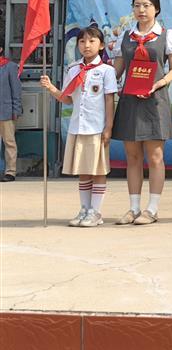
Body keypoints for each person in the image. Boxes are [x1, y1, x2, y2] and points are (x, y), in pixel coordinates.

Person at [111, 0, 172, 225]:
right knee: (132, 156)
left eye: (146, 5)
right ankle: (133, 208)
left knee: (155, 156)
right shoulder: (126, 37)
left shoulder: (167, 35)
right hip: (130, 100)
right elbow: (117, 69)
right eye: (137, 5)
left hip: (155, 100)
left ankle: (152, 209)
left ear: (156, 9)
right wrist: (98, 78)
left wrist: (159, 83)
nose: (141, 10)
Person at [41, 27, 117, 226]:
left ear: (101, 45)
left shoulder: (106, 71)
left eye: (92, 41)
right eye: (82, 42)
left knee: (98, 170)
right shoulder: (73, 69)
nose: (86, 45)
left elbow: (109, 100)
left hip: (96, 128)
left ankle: (96, 212)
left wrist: (108, 127)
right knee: (84, 170)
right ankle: (84, 209)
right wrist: (51, 88)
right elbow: (67, 99)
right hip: (78, 127)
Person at [0, 41, 22, 182]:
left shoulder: (10, 66)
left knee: (9, 142)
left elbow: (16, 90)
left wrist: (16, 109)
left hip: (6, 111)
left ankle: (10, 172)